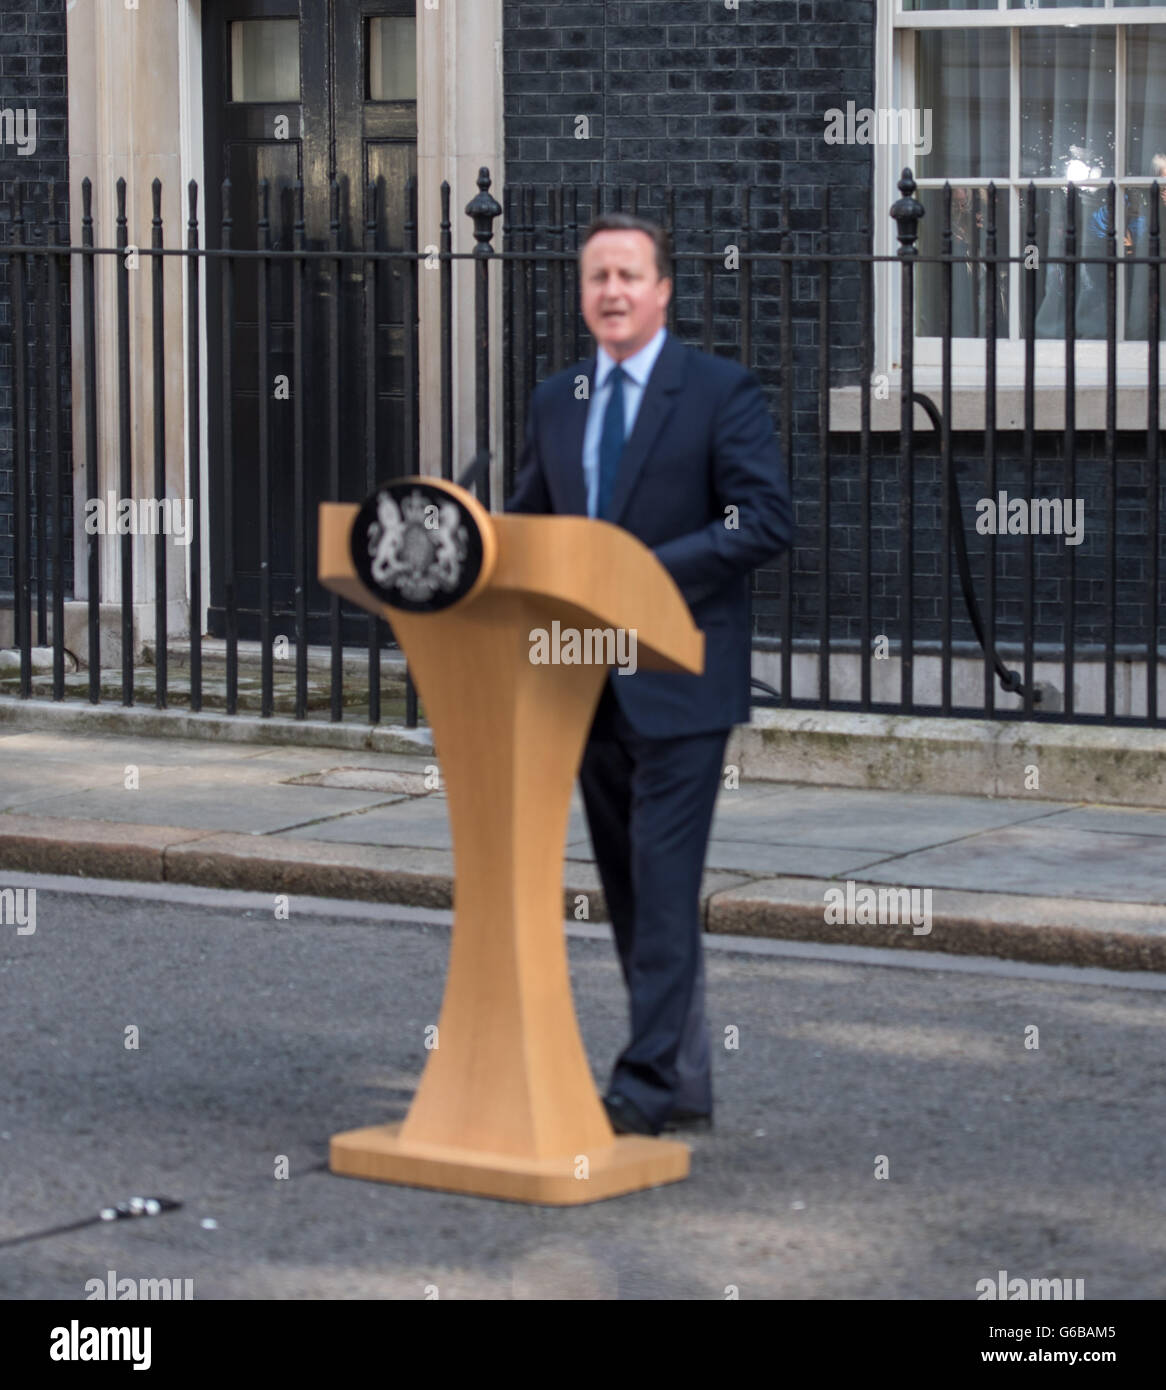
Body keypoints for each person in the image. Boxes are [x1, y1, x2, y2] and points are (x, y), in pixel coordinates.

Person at [506, 212, 794, 1136]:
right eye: (598, 277)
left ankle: (643, 1085)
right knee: (630, 889)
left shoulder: (717, 390)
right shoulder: (557, 400)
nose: (613, 292)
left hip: (679, 679)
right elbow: (533, 525)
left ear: (663, 290)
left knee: (664, 884)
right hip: (584, 684)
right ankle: (682, 1078)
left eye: (629, 275)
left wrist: (637, 575)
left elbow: (764, 519)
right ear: (582, 294)